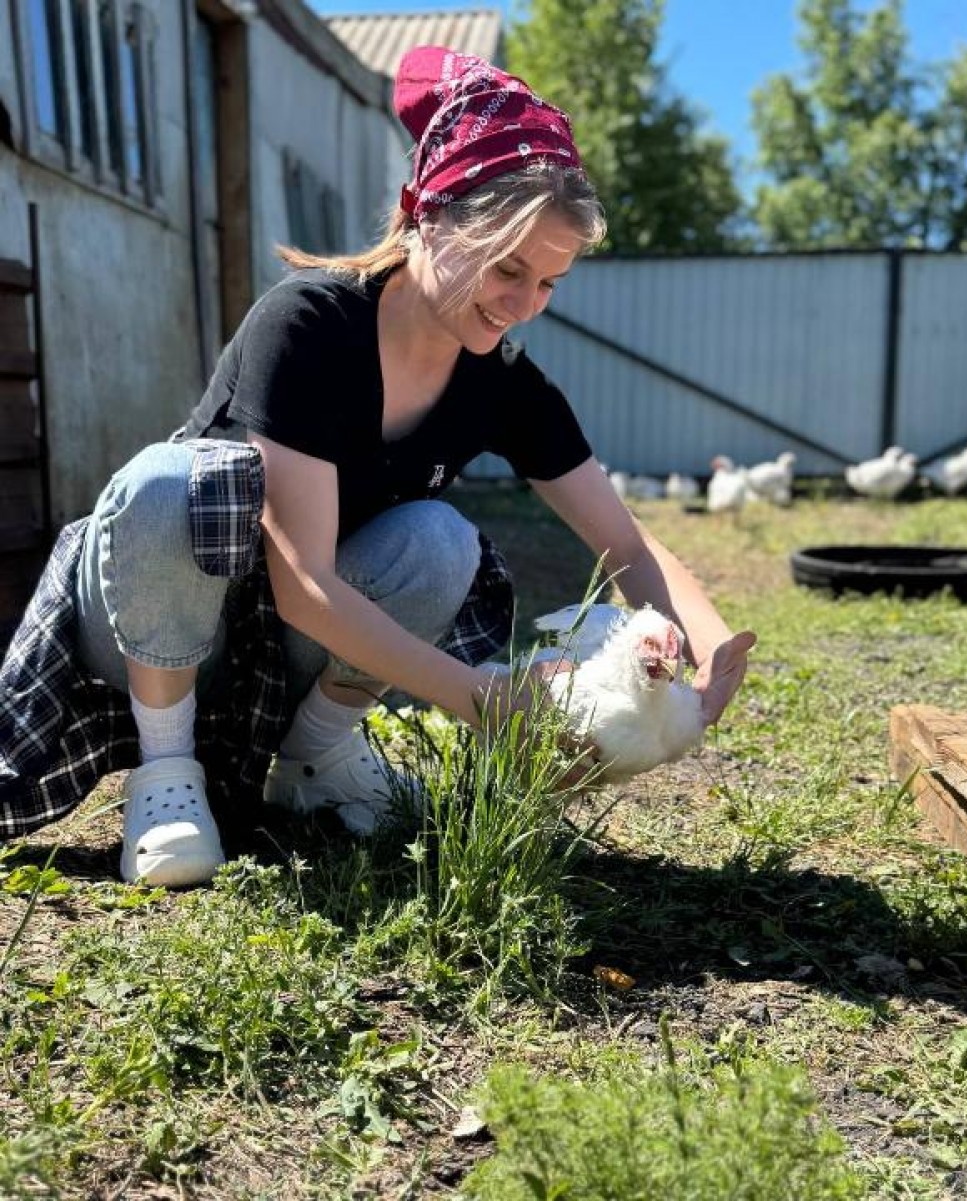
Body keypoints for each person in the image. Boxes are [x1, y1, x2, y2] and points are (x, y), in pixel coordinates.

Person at [0, 45, 756, 888]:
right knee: (167, 484)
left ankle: (313, 759)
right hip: (164, 633)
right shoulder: (307, 327)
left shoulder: (503, 382)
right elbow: (303, 587)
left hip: (290, 662)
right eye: (508, 268)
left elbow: (626, 542)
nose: (523, 304)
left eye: (549, 282)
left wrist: (708, 648)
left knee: (440, 541)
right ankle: (166, 772)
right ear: (428, 216)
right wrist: (486, 700)